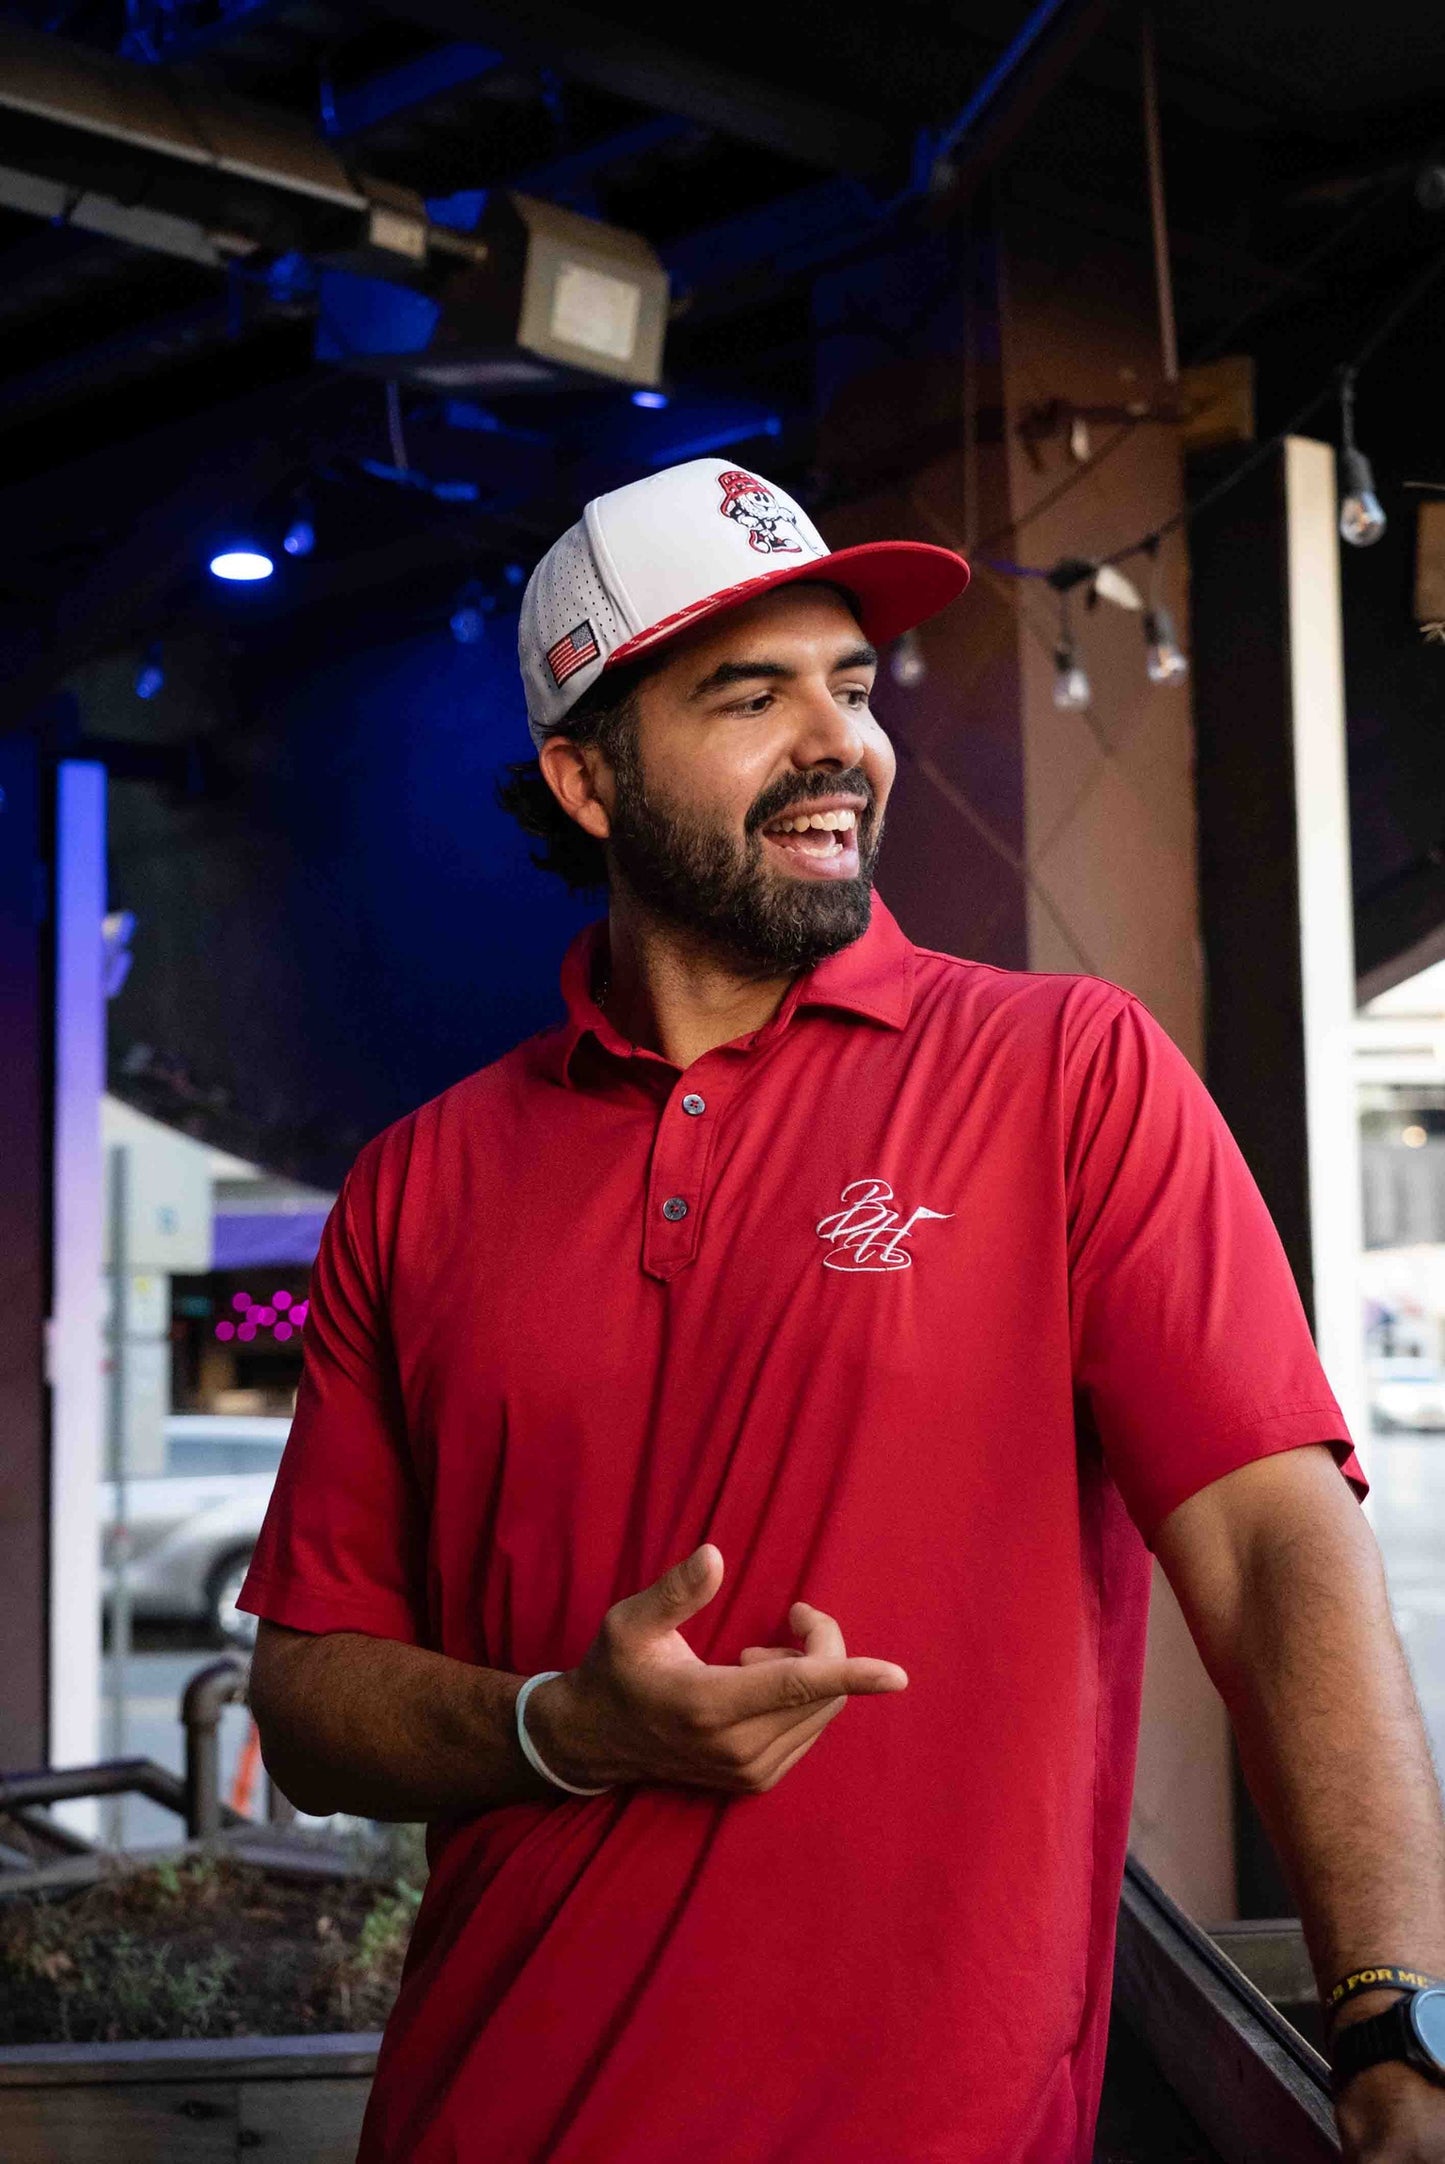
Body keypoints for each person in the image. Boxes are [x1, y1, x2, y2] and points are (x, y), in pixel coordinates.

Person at [243, 457, 1445, 2164]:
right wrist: (561, 1728)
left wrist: (1393, 2019)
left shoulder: (1065, 1073)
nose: (841, 744)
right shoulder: (418, 1184)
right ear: (585, 779)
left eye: (854, 686)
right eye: (752, 697)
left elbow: (1272, 1548)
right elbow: (306, 1701)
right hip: (482, 2115)